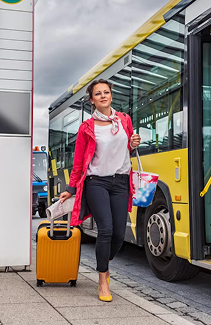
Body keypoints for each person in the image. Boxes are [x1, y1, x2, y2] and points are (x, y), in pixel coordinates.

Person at [59, 79, 141, 302]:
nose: (103, 96)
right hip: (97, 183)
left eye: (106, 92)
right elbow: (79, 163)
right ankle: (103, 279)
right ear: (92, 100)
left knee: (118, 235)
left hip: (121, 182)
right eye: (98, 93)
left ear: (111, 96)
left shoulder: (124, 120)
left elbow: (128, 152)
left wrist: (133, 144)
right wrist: (70, 188)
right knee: (105, 230)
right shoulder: (87, 128)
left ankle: (105, 262)